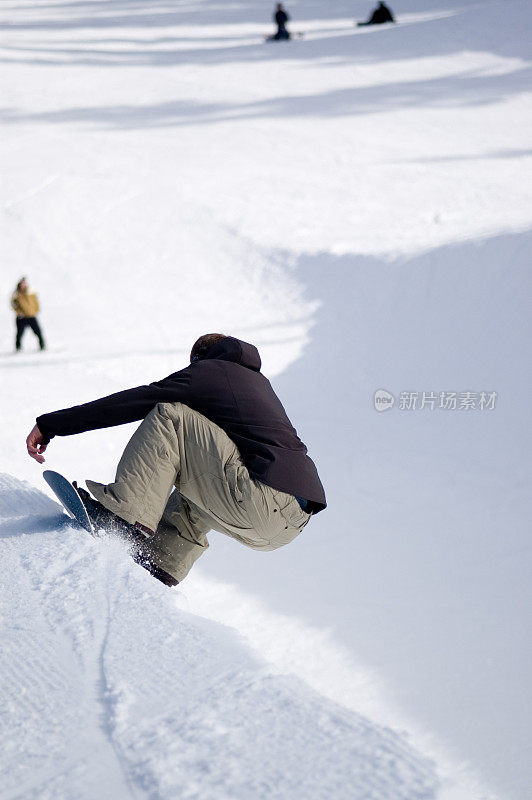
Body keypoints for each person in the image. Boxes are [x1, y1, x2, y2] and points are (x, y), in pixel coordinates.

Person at [27, 334, 326, 587]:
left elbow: (137, 400)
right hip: (287, 523)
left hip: (264, 494)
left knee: (171, 417)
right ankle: (162, 560)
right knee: (199, 479)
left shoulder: (214, 371)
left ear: (202, 357)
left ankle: (120, 519)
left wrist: (53, 424)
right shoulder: (255, 385)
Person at [11, 277, 46, 351]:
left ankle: (42, 345)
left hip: (31, 315)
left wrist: (35, 310)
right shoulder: (17, 294)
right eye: (21, 284)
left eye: (24, 284)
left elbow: (36, 302)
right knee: (19, 333)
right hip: (22, 317)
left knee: (38, 331)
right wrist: (19, 312)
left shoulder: (30, 292)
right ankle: (18, 347)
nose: (23, 286)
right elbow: (13, 304)